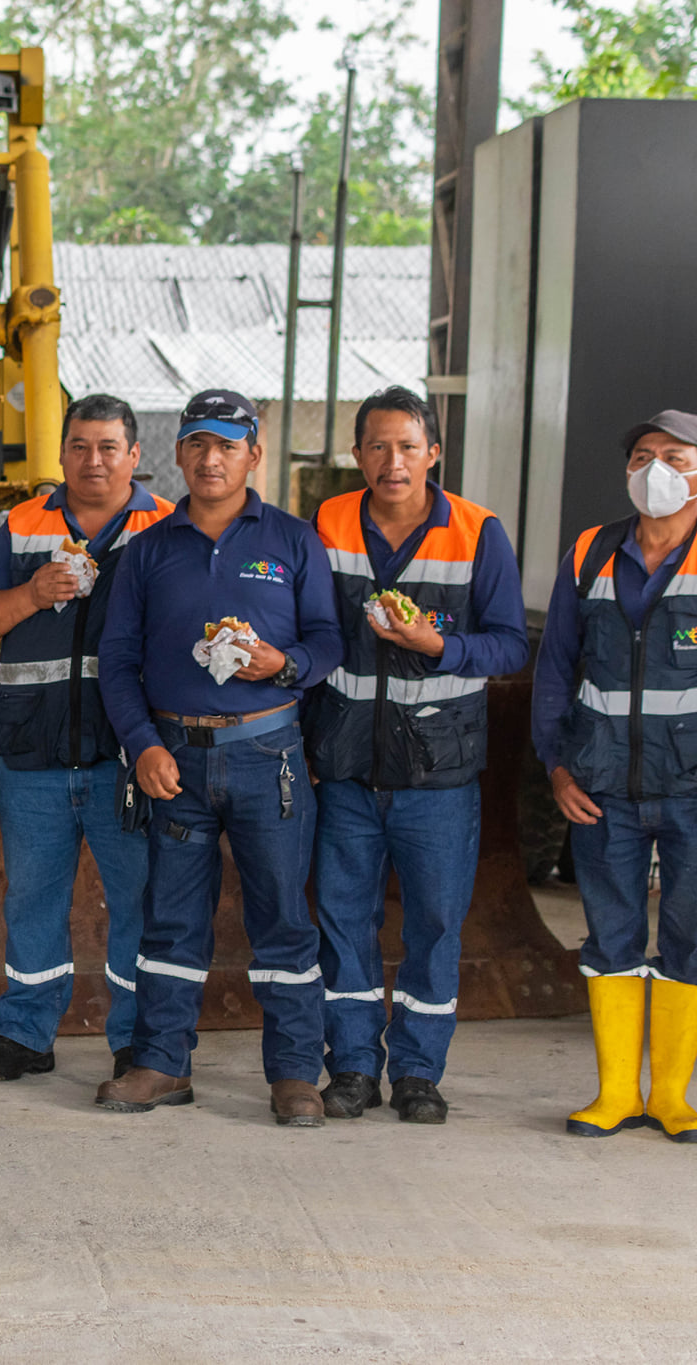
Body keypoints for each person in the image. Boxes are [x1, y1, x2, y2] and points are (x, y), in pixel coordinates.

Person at [94, 389, 343, 1126]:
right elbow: (116, 662)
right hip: (176, 761)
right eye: (198, 443)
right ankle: (162, 1063)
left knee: (283, 920)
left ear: (253, 455)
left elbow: (329, 640)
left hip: (271, 758)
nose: (211, 458)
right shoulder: (148, 549)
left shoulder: (294, 540)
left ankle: (296, 1074)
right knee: (170, 919)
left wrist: (284, 663)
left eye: (227, 445)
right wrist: (142, 744)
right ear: (178, 453)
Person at [306, 386, 527, 1125]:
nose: (391, 461)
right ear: (357, 454)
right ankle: (355, 1068)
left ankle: (421, 1072)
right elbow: (312, 632)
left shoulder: (476, 531)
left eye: (407, 446)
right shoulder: (330, 521)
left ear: (434, 452)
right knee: (344, 920)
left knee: (434, 922)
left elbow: (508, 643)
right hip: (345, 766)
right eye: (376, 446)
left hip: (439, 774)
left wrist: (440, 647)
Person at [0, 394, 173, 1085]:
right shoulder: (24, 525)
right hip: (34, 752)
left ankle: (138, 1042)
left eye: (109, 446)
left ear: (136, 456)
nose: (94, 460)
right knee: (31, 899)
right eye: (79, 445)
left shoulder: (167, 527)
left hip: (127, 756)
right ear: (61, 454)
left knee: (139, 903)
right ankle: (25, 1033)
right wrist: (34, 592)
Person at [534, 410, 697, 1142]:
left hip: (692, 785)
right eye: (641, 454)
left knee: (690, 939)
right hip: (600, 784)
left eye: (673, 455)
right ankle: (613, 1093)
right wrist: (556, 765)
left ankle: (670, 1095)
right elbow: (554, 667)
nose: (654, 468)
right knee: (611, 934)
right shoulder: (591, 552)